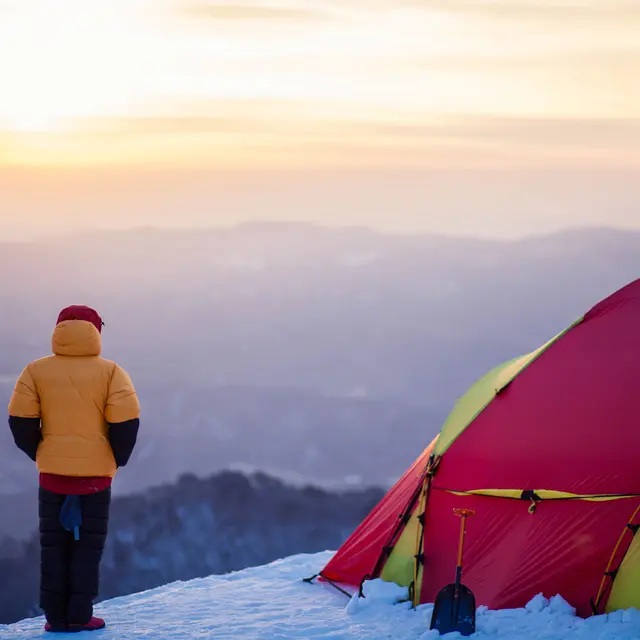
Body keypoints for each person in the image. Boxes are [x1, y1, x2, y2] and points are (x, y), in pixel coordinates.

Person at [7, 305, 140, 633]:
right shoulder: (111, 373)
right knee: (88, 547)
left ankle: (55, 618)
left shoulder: (35, 371)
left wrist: (41, 452)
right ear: (96, 331)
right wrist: (116, 459)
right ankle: (80, 615)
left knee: (53, 546)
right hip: (96, 479)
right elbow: (126, 424)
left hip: (52, 477)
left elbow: (19, 421)